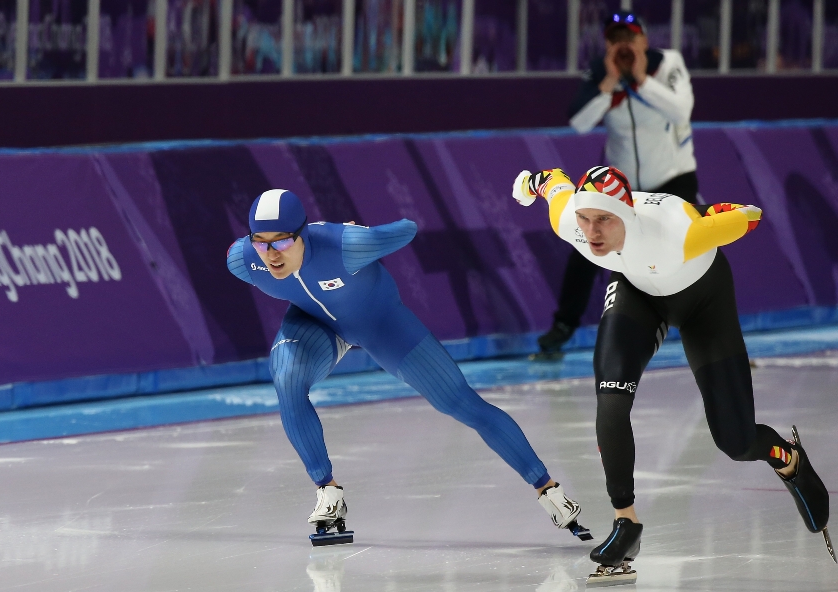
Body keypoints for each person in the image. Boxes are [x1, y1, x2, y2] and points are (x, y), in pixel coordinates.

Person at [512, 166, 834, 583]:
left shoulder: (678, 231)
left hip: (704, 301)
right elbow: (555, 183)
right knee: (610, 397)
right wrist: (532, 183)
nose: (592, 231)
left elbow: (750, 214)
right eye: (586, 218)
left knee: (735, 442)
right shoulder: (569, 221)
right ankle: (626, 522)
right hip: (638, 293)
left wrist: (713, 213)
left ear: (626, 215)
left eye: (605, 219)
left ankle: (786, 457)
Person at [227, 189, 591, 545]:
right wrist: (264, 249)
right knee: (287, 378)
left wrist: (360, 235)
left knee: (460, 402)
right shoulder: (243, 259)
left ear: (303, 234)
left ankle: (547, 489)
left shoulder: (345, 245)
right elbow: (264, 262)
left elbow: (407, 228)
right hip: (314, 325)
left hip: (381, 323)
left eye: (282, 242)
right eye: (261, 242)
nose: (272, 254)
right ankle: (328, 489)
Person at [536, 11, 699, 357]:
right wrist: (609, 82)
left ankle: (711, 334)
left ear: (643, 41)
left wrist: (641, 78)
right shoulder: (600, 71)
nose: (623, 46)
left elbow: (681, 112)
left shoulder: (667, 63)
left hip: (673, 177)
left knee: (694, 252)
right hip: (624, 189)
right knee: (587, 243)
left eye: (630, 39)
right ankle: (563, 325)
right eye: (615, 40)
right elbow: (579, 122)